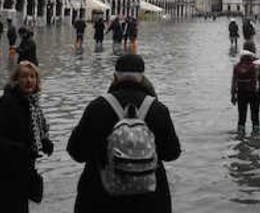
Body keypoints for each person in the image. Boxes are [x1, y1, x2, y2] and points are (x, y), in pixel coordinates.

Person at [67, 54, 181, 213]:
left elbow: (77, 152)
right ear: (142, 78)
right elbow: (172, 153)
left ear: (115, 77)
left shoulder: (97, 107)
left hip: (100, 198)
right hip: (150, 201)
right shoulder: (158, 109)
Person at [0, 61, 53, 213]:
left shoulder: (33, 105)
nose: (29, 80)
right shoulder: (6, 103)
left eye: (32, 76)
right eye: (24, 77)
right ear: (15, 80)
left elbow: (34, 132)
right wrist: (21, 149)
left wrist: (44, 142)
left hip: (20, 172)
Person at [231, 45, 260, 136]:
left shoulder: (237, 65)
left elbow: (234, 82)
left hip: (241, 93)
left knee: (241, 117)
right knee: (255, 117)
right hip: (255, 93)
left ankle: (241, 139)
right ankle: (255, 138)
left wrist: (233, 95)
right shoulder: (258, 65)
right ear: (253, 50)